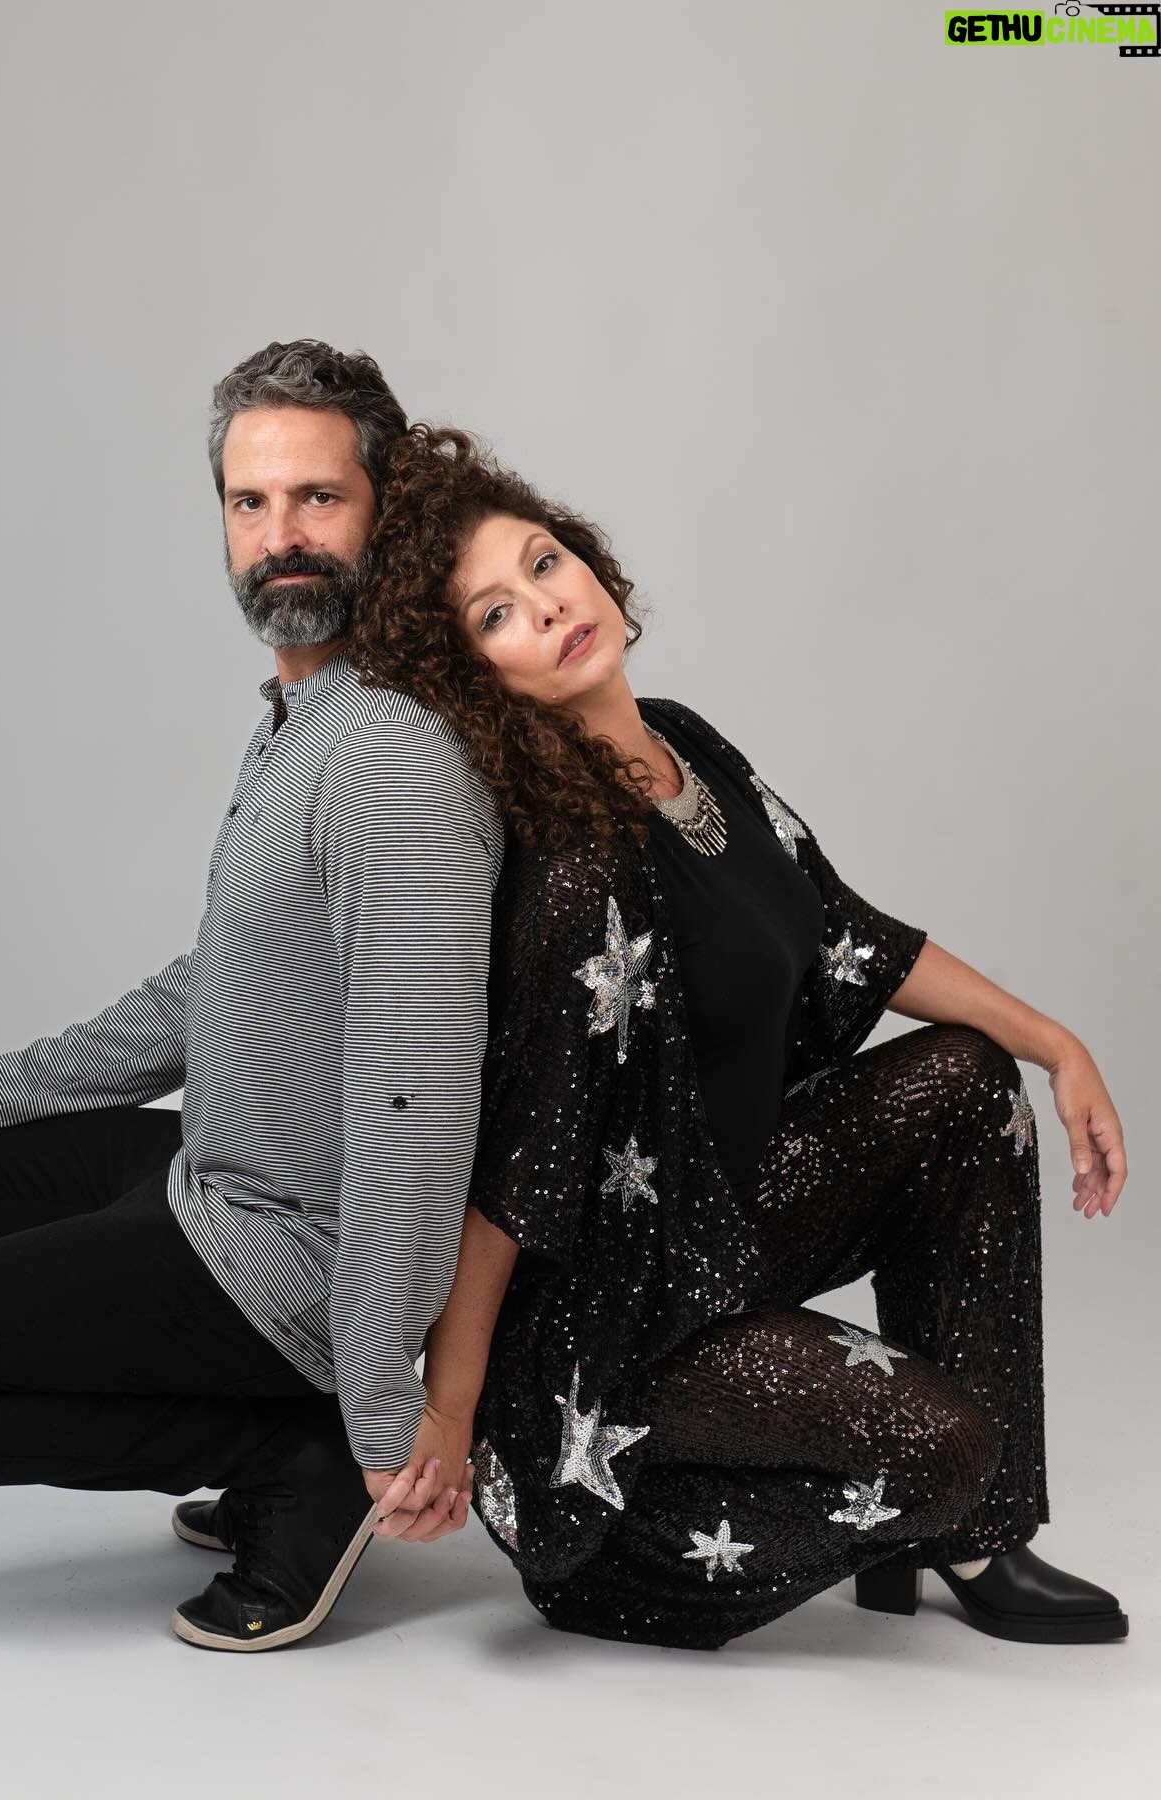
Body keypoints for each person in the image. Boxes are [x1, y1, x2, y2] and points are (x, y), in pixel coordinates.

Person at [349, 423, 1130, 1651]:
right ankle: (623, 1552)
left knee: (973, 1080)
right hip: (608, 1335)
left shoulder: (684, 741)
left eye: (544, 563)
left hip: (711, 1228)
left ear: (586, 558)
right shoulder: (574, 872)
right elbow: (518, 1176)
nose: (546, 607)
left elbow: (843, 932)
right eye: (497, 616)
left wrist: (1057, 1042)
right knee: (945, 1448)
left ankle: (975, 1541)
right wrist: (449, 1413)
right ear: (475, 679)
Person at [0, 342, 504, 1653]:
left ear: (388, 509)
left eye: (319, 498)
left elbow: (419, 1102)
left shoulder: (387, 755)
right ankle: (267, 1423)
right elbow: (212, 987)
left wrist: (376, 1400)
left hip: (297, 1255)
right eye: (250, 503)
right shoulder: (305, 714)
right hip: (216, 1174)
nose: (281, 538)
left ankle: (287, 1452)